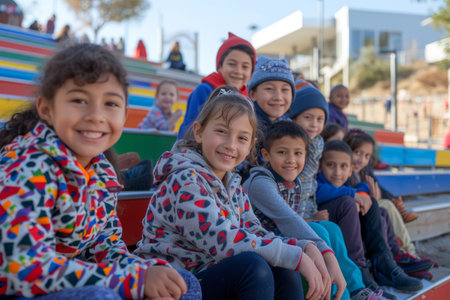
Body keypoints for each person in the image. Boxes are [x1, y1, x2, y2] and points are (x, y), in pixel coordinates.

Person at [0, 43, 201, 300]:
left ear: (125, 114)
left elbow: (107, 250)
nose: (96, 115)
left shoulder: (102, 174)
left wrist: (146, 272)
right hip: (18, 288)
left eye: (110, 103)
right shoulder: (27, 167)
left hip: (68, 282)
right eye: (79, 100)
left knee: (181, 283)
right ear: (47, 109)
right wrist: (134, 281)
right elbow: (24, 269)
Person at [135, 87, 326, 300]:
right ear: (199, 131)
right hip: (174, 283)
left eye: (242, 138)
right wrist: (296, 256)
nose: (230, 145)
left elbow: (255, 232)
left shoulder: (233, 185)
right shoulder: (184, 179)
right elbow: (223, 241)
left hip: (208, 274)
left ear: (251, 145)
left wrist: (301, 247)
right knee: (253, 267)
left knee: (283, 267)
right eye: (221, 132)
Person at [243, 121, 387, 300]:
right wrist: (326, 253)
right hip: (261, 240)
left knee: (331, 228)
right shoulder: (260, 183)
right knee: (318, 230)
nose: (291, 160)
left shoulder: (293, 181)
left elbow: (294, 219)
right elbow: (288, 219)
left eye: (298, 153)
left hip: (281, 235)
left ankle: (355, 290)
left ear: (306, 155)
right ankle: (334, 295)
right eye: (282, 152)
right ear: (266, 155)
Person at [316, 140, 423, 294]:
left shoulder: (347, 182)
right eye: (330, 165)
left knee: (378, 208)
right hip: (326, 219)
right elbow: (320, 192)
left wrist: (360, 194)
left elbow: (361, 187)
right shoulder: (317, 183)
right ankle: (360, 272)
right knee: (349, 202)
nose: (337, 172)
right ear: (320, 166)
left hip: (344, 217)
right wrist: (353, 195)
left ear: (351, 169)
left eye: (343, 167)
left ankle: (384, 263)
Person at [344, 129, 433, 279]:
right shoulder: (344, 171)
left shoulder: (362, 173)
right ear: (347, 149)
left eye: (366, 156)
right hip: (356, 216)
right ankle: (408, 256)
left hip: (367, 214)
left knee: (386, 205)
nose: (361, 159)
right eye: (357, 152)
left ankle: (407, 257)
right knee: (385, 206)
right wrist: (373, 199)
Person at [177, 32, 256, 138]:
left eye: (245, 67)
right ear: (219, 66)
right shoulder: (205, 90)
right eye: (232, 64)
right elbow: (189, 130)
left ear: (251, 72)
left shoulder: (247, 100)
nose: (238, 71)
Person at [288, 84, 328, 221]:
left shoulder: (318, 142)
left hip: (310, 202)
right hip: (293, 205)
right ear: (294, 118)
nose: (314, 124)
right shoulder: (289, 141)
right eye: (307, 117)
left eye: (319, 119)